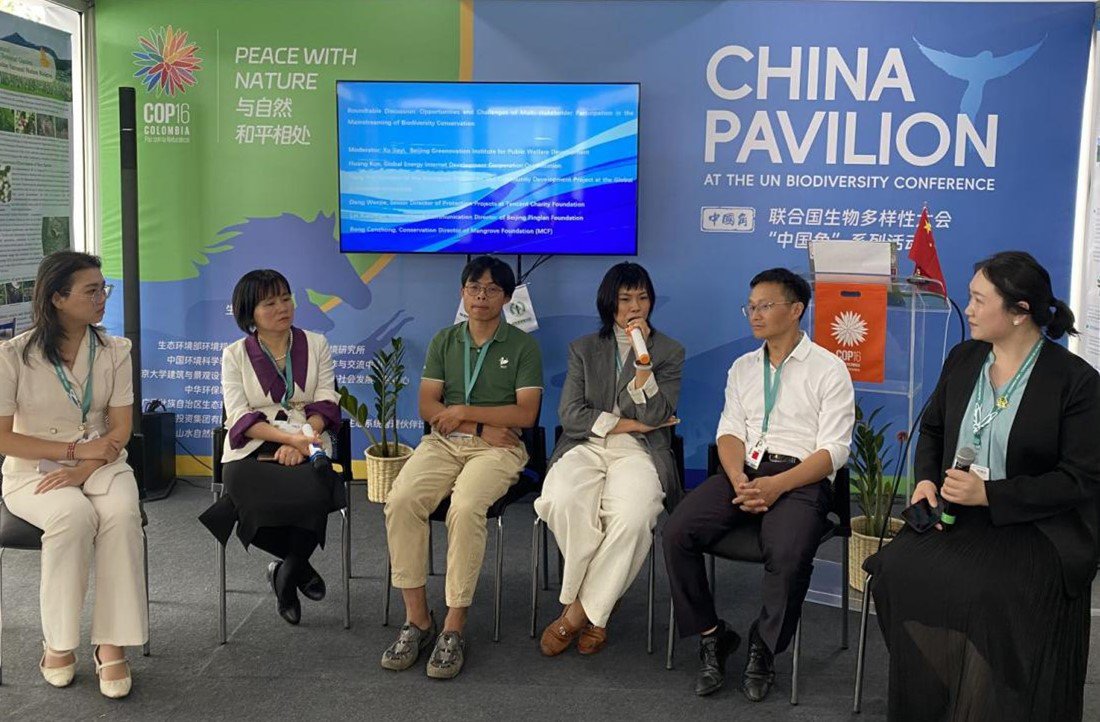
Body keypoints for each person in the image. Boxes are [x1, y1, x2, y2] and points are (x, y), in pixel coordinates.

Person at [864, 251, 1100, 721]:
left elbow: (1080, 479)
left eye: (978, 299)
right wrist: (925, 479)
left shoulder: (1075, 382)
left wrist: (990, 495)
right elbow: (933, 429)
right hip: (960, 512)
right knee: (892, 571)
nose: (967, 309)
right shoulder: (965, 358)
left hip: (1039, 527)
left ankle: (990, 701)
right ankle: (939, 698)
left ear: (1019, 312)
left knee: (987, 592)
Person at [662, 267, 855, 701]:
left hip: (800, 479)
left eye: (765, 306)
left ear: (796, 309)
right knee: (676, 532)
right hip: (744, 473)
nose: (755, 314)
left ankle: (764, 647)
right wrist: (737, 478)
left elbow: (834, 451)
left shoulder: (829, 369)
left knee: (787, 553)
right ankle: (713, 635)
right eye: (750, 307)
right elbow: (729, 431)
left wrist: (778, 485)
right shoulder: (743, 367)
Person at [380, 255, 542, 680]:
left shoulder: (522, 346)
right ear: (462, 293)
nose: (481, 296)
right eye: (474, 288)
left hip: (499, 449)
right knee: (402, 500)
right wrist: (476, 425)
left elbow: (526, 414)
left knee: (466, 507)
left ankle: (453, 625)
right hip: (445, 442)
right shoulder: (444, 341)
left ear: (506, 298)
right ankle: (418, 620)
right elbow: (428, 405)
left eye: (491, 289)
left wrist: (467, 413)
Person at [0, 251, 147, 698]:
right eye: (92, 290)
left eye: (104, 288)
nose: (102, 297)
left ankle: (112, 643)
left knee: (121, 514)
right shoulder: (13, 356)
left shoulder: (115, 351)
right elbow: (4, 438)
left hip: (102, 463)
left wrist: (85, 465)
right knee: (72, 516)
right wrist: (71, 452)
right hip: (34, 472)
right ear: (58, 298)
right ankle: (59, 643)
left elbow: (120, 428)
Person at [534, 262, 683, 656]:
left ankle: (580, 614)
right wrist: (632, 424)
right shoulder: (583, 348)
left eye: (642, 298)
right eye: (625, 298)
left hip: (639, 451)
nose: (635, 306)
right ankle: (601, 599)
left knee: (635, 515)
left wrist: (643, 364)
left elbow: (657, 414)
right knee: (563, 500)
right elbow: (571, 415)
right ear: (608, 302)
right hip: (585, 444)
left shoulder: (669, 351)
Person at [199, 269, 345, 626]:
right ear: (249, 313)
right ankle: (298, 569)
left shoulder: (316, 344)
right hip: (252, 443)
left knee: (318, 490)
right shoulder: (234, 355)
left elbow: (327, 400)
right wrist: (288, 440)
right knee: (245, 499)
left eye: (286, 298)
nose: (282, 308)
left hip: (309, 437)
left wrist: (304, 438)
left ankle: (286, 572)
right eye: (269, 303)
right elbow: (238, 414)